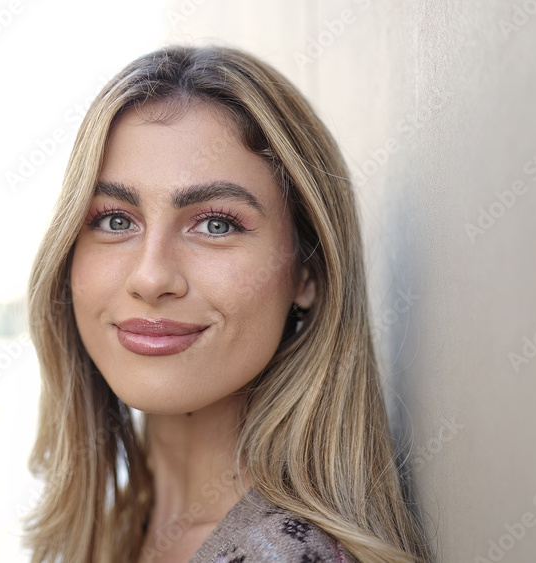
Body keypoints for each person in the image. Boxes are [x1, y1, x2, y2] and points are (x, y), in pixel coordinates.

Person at [23, 45, 429, 562]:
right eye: (115, 220)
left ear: (309, 274)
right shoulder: (115, 528)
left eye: (216, 224)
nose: (151, 277)